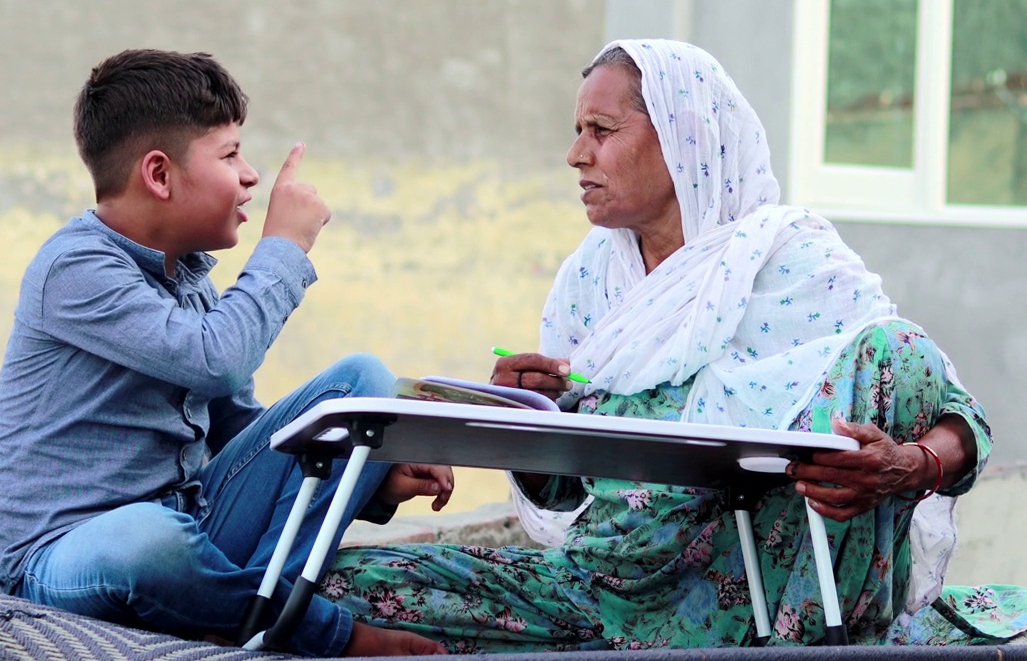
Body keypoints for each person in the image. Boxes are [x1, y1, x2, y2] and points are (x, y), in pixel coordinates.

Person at [319, 40, 993, 650]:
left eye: (601, 131)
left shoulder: (790, 259)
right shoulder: (590, 280)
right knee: (327, 588)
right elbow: (566, 493)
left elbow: (955, 410)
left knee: (895, 349)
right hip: (599, 587)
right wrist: (525, 419)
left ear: (683, 138)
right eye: (577, 132)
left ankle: (792, 649)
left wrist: (915, 465)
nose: (576, 154)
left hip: (767, 592)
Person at [0, 49, 452, 657]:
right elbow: (215, 358)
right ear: (159, 175)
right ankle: (319, 634)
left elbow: (242, 432)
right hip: (66, 557)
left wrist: (368, 468)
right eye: (230, 155)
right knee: (149, 539)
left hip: (192, 526)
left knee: (363, 383)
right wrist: (283, 249)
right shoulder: (75, 267)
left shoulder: (191, 279)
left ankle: (252, 614)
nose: (251, 175)